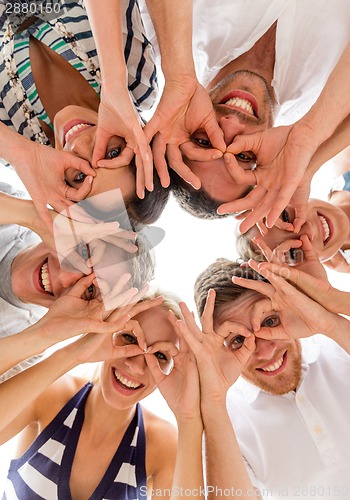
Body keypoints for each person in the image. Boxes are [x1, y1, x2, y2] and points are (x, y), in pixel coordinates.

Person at [138, 1, 350, 222]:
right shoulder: (324, 102)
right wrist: (308, 137)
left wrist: (179, 76)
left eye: (204, 140)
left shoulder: (163, 40)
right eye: (243, 155)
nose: (231, 124)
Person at [1, 296, 204, 499]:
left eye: (160, 356)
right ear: (106, 332)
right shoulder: (51, 394)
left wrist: (189, 417)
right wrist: (74, 354)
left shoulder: (163, 444)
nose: (136, 366)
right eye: (129, 338)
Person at [191, 257, 350, 498]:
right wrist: (213, 397)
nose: (265, 351)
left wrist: (329, 322)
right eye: (238, 340)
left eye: (270, 321)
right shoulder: (226, 423)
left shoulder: (340, 346)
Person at [0, 0, 168, 226]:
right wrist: (114, 80)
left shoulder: (16, 146)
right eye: (112, 153)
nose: (79, 146)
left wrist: (20, 152)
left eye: (79, 176)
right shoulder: (137, 84)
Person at [0, 181, 154, 378]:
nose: (65, 277)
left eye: (89, 291)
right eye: (82, 252)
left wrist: (42, 336)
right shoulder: (12, 205)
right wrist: (32, 217)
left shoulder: (24, 351)